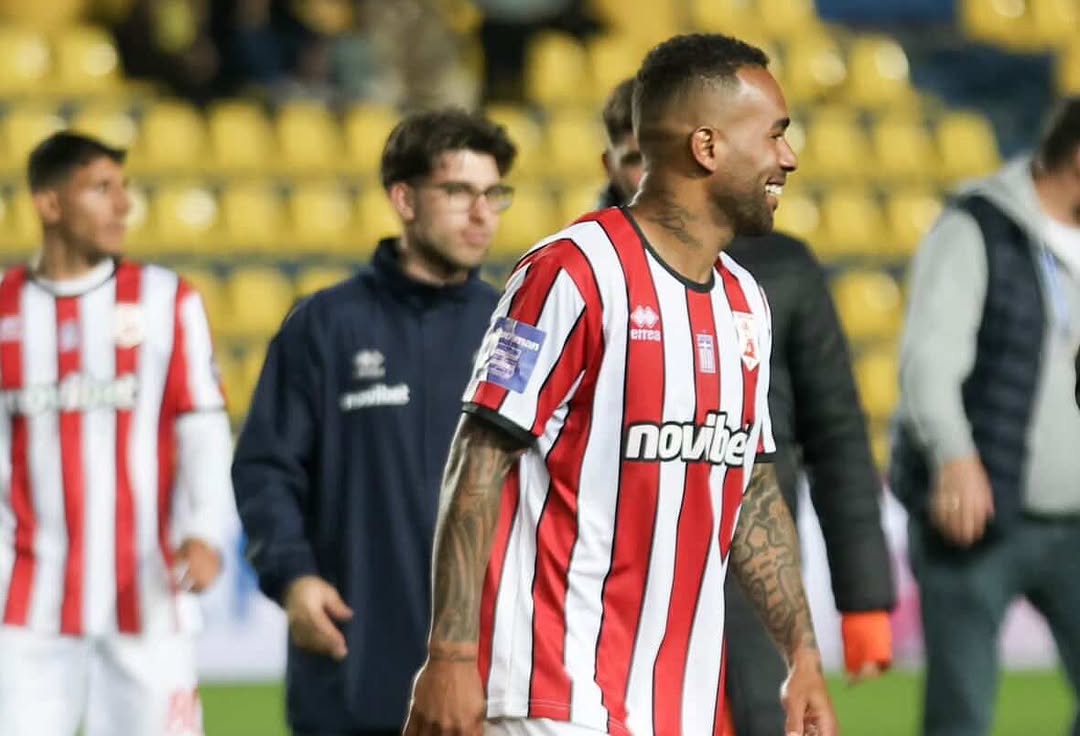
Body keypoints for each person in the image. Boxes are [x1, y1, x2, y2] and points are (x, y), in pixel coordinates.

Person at [405, 33, 836, 736]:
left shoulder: (744, 303)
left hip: (677, 709)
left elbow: (751, 487)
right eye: (774, 134)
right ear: (707, 146)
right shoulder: (571, 273)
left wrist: (803, 654)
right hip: (553, 698)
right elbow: (478, 458)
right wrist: (451, 654)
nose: (788, 157)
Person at [598, 76, 896, 735]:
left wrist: (865, 596)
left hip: (750, 568)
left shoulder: (782, 269)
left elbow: (836, 433)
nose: (649, 176)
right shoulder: (578, 272)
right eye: (634, 158)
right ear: (609, 163)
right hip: (619, 577)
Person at [231, 109, 516, 735]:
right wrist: (294, 578)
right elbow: (266, 469)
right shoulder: (323, 326)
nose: (482, 214)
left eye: (494, 194)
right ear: (404, 199)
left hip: (486, 676)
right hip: (350, 666)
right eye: (459, 192)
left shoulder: (515, 332)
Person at [0, 131, 232, 735]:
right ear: (49, 204)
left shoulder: (167, 301)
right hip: (25, 607)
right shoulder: (4, 311)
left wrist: (206, 530)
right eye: (101, 189)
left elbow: (203, 429)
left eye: (123, 188)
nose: (124, 205)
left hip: (148, 593)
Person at [892, 97, 1080, 736]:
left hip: (1075, 523)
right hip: (978, 515)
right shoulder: (978, 227)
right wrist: (955, 456)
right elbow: (928, 362)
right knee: (961, 717)